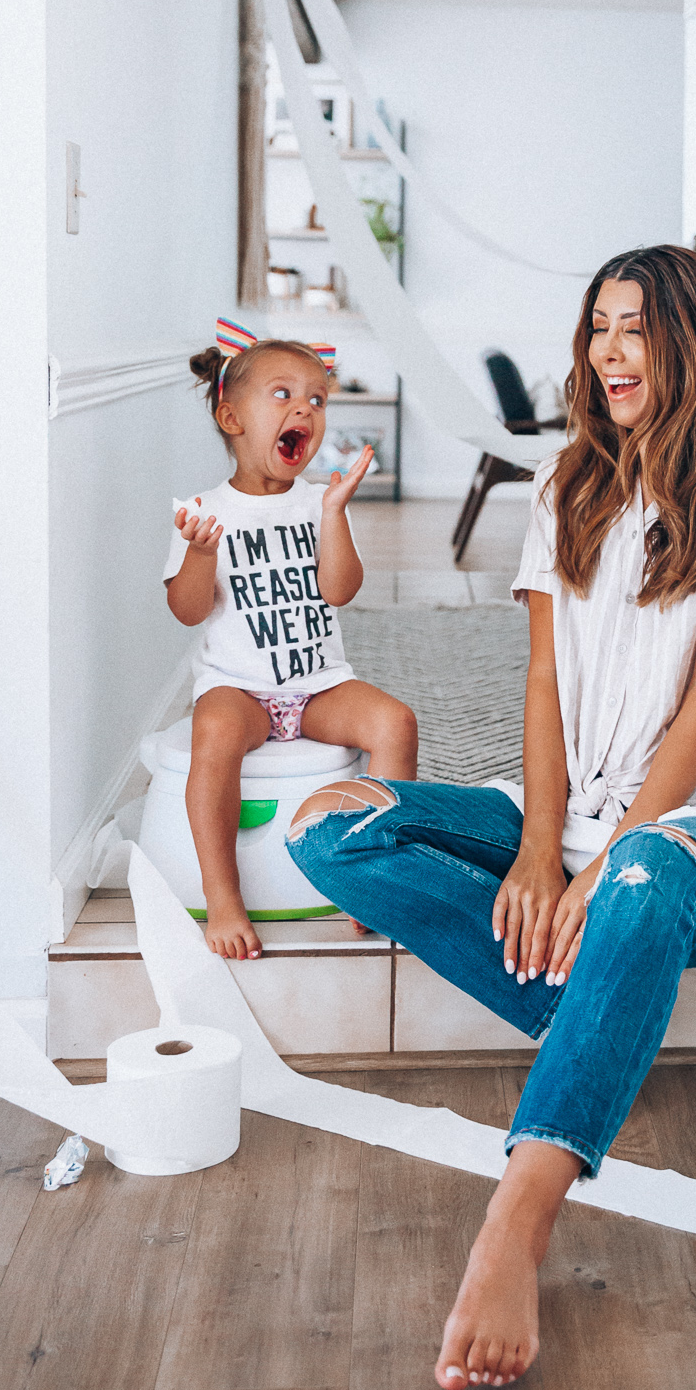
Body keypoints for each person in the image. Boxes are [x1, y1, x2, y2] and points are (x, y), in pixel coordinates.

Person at [286, 246, 696, 1390]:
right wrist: (536, 848)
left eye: (636, 329)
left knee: (636, 889)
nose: (607, 352)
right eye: (598, 329)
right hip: (559, 813)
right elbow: (540, 683)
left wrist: (598, 864)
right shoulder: (570, 478)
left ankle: (516, 1221)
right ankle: (605, 1011)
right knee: (331, 824)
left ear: (695, 342)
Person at [164, 320, 417, 960]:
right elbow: (188, 611)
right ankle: (223, 894)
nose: (304, 407)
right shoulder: (201, 509)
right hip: (240, 687)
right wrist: (198, 555)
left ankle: (374, 876)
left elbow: (341, 590)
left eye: (317, 399)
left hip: (319, 685)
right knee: (213, 733)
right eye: (282, 394)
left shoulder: (320, 503)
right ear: (232, 418)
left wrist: (333, 515)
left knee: (395, 722)